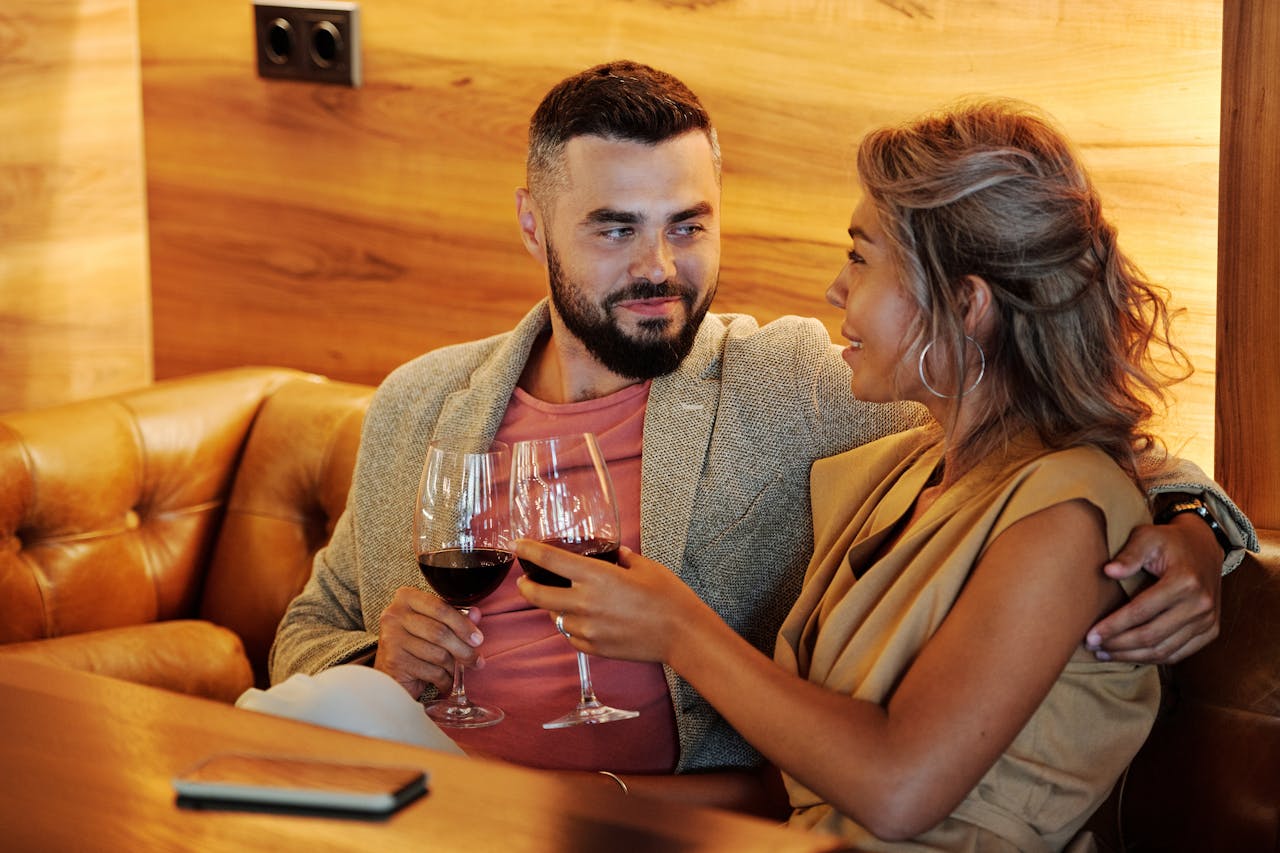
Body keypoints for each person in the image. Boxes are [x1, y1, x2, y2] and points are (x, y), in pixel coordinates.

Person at [268, 62, 1253, 813]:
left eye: (689, 225)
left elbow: (1071, 445)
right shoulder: (421, 403)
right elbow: (303, 637)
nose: (660, 266)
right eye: (615, 229)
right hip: (406, 799)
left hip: (645, 821)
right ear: (534, 224)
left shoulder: (798, 384)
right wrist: (373, 660)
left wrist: (1198, 532)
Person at [513, 98, 1233, 847]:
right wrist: (528, 802)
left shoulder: (1067, 516)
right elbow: (797, 781)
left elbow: (898, 787)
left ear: (965, 303)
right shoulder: (906, 469)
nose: (834, 287)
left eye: (860, 255)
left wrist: (679, 631)